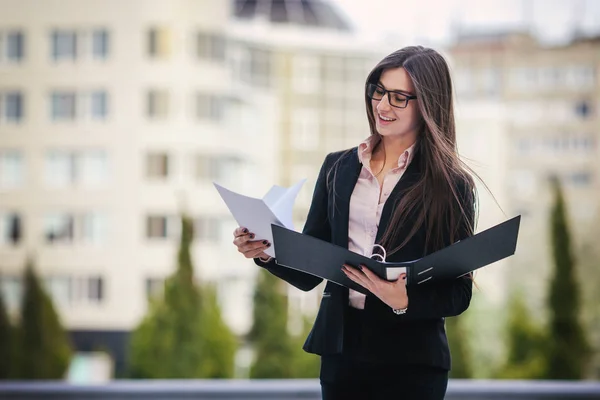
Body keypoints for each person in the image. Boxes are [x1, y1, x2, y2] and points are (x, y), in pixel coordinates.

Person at [232, 46, 477, 400]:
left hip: (413, 363)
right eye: (378, 91)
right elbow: (310, 271)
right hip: (342, 354)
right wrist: (266, 252)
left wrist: (403, 299)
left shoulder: (450, 185)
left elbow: (459, 293)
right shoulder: (338, 168)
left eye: (398, 97)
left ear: (427, 103)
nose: (382, 105)